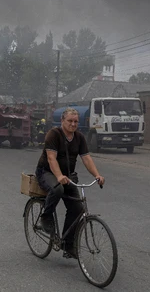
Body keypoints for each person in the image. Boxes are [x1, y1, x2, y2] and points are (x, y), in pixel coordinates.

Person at [35, 108, 105, 258]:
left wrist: (97, 175)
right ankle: (46, 217)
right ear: (62, 121)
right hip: (46, 172)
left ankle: (67, 244)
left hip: (67, 176)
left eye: (75, 121)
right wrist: (59, 176)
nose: (73, 124)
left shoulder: (79, 138)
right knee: (58, 189)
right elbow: (51, 158)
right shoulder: (54, 134)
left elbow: (86, 158)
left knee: (78, 208)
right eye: (70, 121)